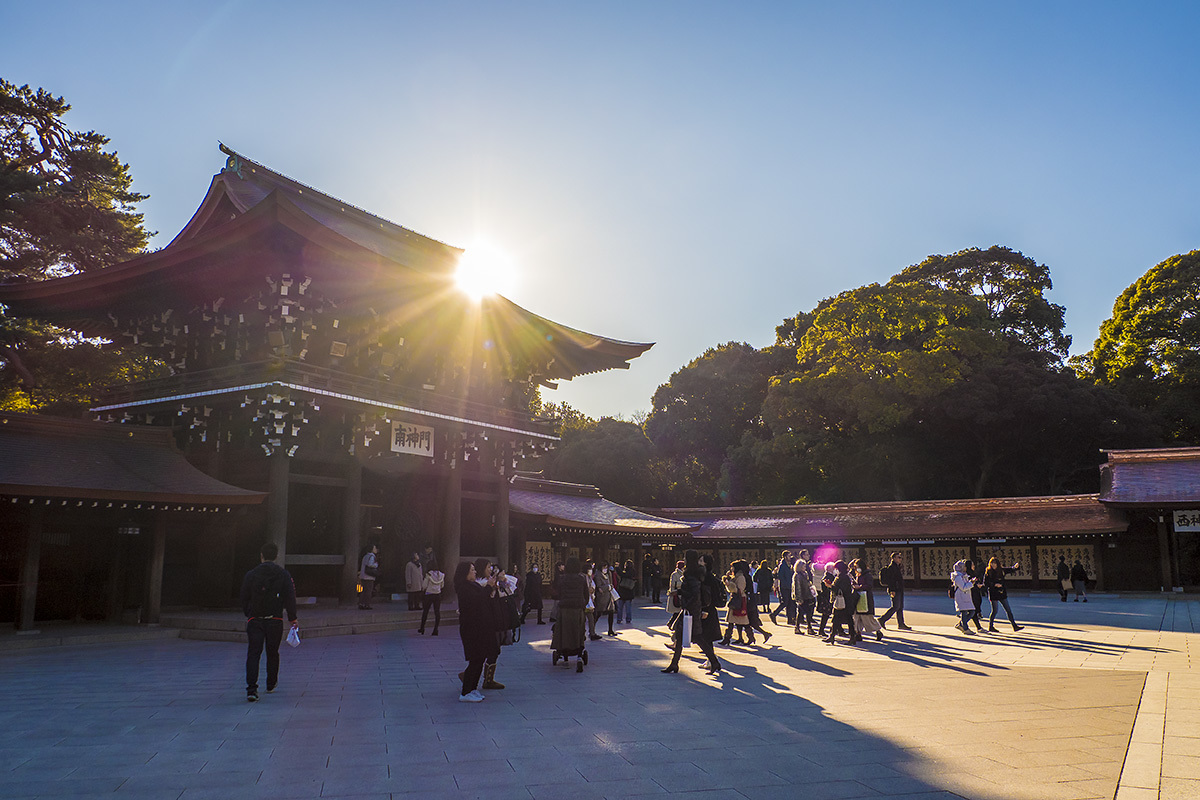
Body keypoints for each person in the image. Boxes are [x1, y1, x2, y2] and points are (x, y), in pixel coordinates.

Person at [240, 542, 298, 702]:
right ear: (276, 556)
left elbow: (244, 596)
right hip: (275, 619)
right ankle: (271, 683)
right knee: (273, 652)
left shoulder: (251, 575)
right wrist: (292, 617)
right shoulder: (283, 574)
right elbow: (290, 597)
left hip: (255, 619)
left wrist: (249, 612)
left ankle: (251, 689)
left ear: (261, 555)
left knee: (253, 653)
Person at [662, 549, 722, 676]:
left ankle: (714, 661)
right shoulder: (695, 573)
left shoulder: (692, 574)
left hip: (691, 610)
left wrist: (681, 594)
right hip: (689, 609)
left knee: (697, 637)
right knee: (679, 636)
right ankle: (674, 663)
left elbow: (694, 593)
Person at [454, 560, 501, 702]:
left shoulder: (473, 585)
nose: (475, 572)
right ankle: (466, 692)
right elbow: (477, 601)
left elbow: (484, 600)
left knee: (480, 658)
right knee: (475, 660)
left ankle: (472, 689)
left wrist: (490, 589)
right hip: (471, 629)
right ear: (465, 573)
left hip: (480, 627)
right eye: (472, 570)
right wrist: (488, 588)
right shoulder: (464, 588)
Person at [552, 556, 590, 672]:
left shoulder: (562, 579)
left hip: (564, 609)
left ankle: (565, 657)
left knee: (565, 633)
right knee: (578, 632)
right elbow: (586, 594)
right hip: (578, 609)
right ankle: (579, 656)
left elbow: (558, 593)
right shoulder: (581, 578)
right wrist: (584, 604)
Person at [984, 557, 1024, 632]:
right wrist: (994, 584)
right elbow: (985, 583)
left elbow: (1010, 570)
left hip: (1001, 592)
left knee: (1008, 609)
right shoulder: (988, 571)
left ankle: (1014, 625)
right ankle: (991, 626)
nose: (993, 565)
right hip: (993, 593)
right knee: (995, 611)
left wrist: (1015, 567)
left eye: (994, 563)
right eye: (992, 563)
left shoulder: (1001, 570)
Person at [824, 560, 859, 645]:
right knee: (837, 619)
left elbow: (841, 590)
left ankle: (852, 637)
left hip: (844, 602)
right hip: (844, 601)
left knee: (847, 620)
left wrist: (830, 586)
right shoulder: (842, 576)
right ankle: (832, 636)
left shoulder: (843, 577)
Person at [877, 552, 913, 630]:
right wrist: (892, 590)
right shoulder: (892, 567)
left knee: (900, 607)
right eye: (898, 557)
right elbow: (891, 580)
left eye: (900, 557)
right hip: (895, 590)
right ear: (893, 558)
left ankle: (901, 624)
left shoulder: (897, 567)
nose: (900, 559)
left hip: (899, 589)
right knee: (895, 606)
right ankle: (882, 619)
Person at [850, 559, 883, 642]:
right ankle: (858, 633)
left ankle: (878, 631)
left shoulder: (867, 575)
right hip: (858, 598)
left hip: (866, 598)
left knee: (867, 617)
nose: (856, 569)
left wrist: (860, 587)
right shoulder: (858, 575)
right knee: (857, 617)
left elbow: (869, 586)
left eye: (857, 567)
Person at [417, 563, 444, 635]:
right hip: (437, 594)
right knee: (437, 612)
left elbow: (424, 585)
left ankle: (422, 628)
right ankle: (436, 629)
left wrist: (424, 589)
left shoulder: (429, 574)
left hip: (429, 594)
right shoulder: (441, 575)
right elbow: (442, 585)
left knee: (425, 611)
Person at [792, 555, 816, 635]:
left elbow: (807, 583)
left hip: (808, 595)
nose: (805, 567)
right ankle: (797, 627)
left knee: (809, 612)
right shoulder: (797, 575)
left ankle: (809, 628)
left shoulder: (805, 574)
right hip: (802, 596)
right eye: (803, 566)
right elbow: (797, 588)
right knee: (800, 613)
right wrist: (799, 599)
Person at [951, 560, 976, 634]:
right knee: (964, 613)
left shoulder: (963, 575)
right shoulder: (958, 577)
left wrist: (971, 582)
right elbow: (963, 587)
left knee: (972, 611)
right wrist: (971, 583)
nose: (965, 568)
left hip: (966, 596)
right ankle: (965, 628)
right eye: (964, 566)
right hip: (961, 597)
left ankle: (961, 624)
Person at [770, 551, 795, 626]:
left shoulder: (789, 565)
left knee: (790, 603)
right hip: (784, 586)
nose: (790, 557)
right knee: (785, 602)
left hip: (789, 586)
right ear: (785, 556)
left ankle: (790, 619)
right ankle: (774, 614)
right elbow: (780, 576)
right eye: (789, 556)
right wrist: (786, 584)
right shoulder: (782, 565)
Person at [593, 562, 616, 637]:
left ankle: (610, 630)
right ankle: (592, 630)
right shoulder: (598, 575)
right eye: (604, 567)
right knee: (598, 613)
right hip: (601, 597)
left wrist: (609, 587)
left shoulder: (608, 574)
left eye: (606, 567)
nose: (605, 569)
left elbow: (610, 584)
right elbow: (599, 587)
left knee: (611, 612)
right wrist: (607, 587)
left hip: (609, 596)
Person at [815, 563, 836, 637]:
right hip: (827, 598)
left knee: (828, 615)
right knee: (826, 614)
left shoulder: (828, 576)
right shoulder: (828, 577)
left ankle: (835, 629)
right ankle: (822, 630)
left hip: (826, 597)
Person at [964, 559, 984, 632]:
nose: (974, 566)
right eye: (972, 565)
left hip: (976, 593)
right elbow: (969, 585)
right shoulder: (967, 574)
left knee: (973, 611)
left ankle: (978, 627)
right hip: (972, 594)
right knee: (973, 611)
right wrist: (976, 585)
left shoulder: (973, 573)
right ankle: (962, 624)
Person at [358, 543, 379, 609]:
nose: (376, 550)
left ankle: (361, 603)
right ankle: (367, 604)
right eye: (375, 548)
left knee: (363, 590)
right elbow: (370, 564)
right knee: (368, 591)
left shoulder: (365, 556)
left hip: (363, 576)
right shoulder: (372, 556)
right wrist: (376, 565)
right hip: (369, 576)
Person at [666, 559, 685, 629]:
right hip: (676, 594)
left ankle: (671, 623)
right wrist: (683, 584)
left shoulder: (683, 573)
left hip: (680, 594)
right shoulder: (674, 574)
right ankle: (672, 624)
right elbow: (673, 584)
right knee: (677, 611)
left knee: (678, 611)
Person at [616, 559, 637, 624]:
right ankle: (628, 619)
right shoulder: (633, 571)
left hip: (623, 591)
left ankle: (619, 619)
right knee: (628, 607)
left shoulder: (627, 572)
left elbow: (623, 574)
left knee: (620, 607)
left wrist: (617, 568)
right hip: (629, 593)